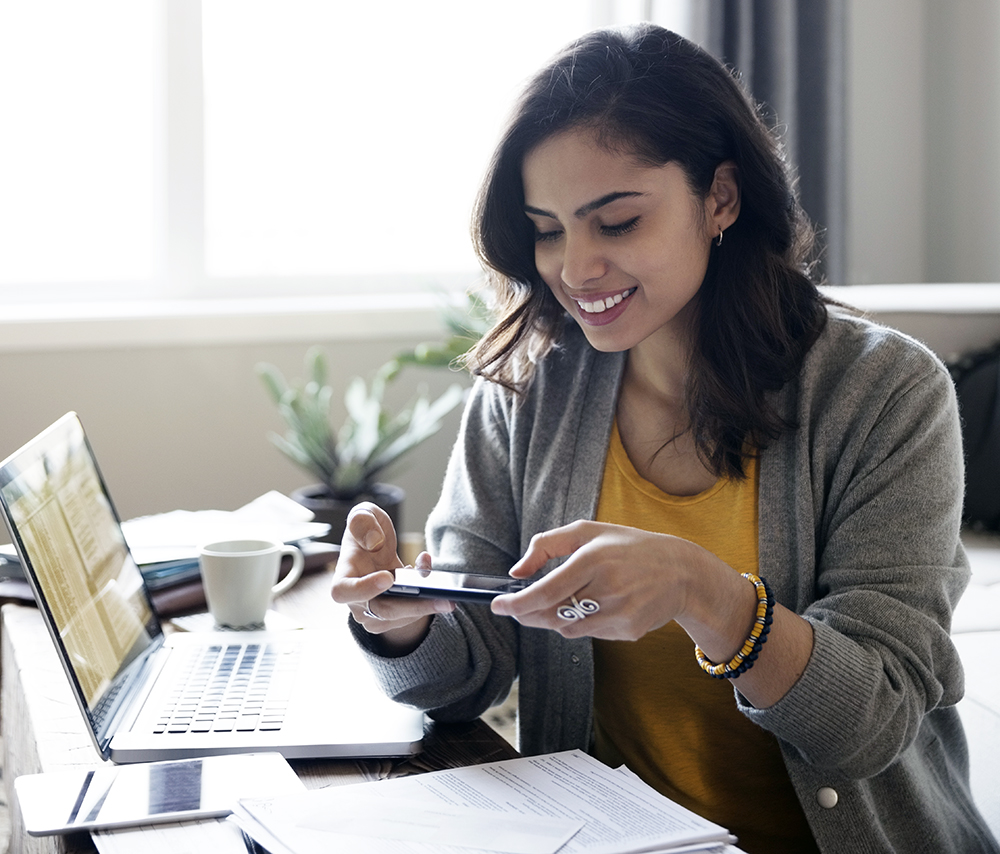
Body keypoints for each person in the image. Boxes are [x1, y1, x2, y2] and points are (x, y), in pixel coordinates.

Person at [331, 22, 999, 854]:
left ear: (719, 197)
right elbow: (464, 676)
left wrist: (707, 595)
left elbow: (870, 723)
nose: (574, 269)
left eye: (615, 222)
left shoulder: (885, 393)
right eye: (547, 229)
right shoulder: (530, 390)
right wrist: (400, 621)